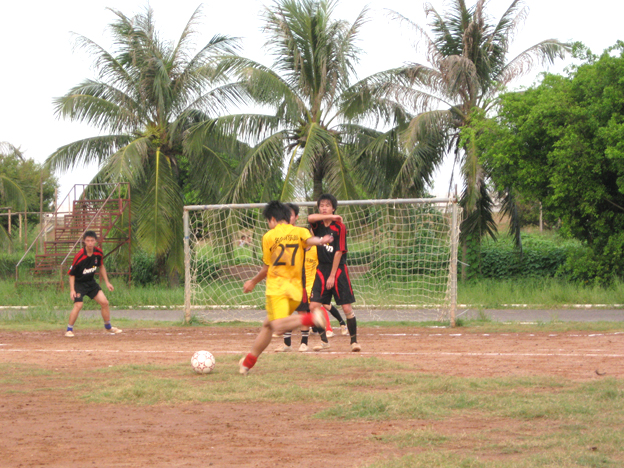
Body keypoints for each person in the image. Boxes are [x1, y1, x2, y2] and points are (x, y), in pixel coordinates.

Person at [239, 201, 333, 375]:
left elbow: (266, 268)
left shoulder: (269, 236)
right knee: (268, 325)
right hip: (296, 290)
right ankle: (247, 363)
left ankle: (311, 319)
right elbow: (310, 240)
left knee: (278, 325)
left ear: (272, 219)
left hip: (278, 288)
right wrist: (321, 240)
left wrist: (252, 282)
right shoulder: (299, 231)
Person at [274, 202, 331, 353]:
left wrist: (320, 240)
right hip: (283, 279)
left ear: (296, 217)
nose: (287, 217)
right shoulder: (277, 234)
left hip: (299, 280)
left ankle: (304, 343)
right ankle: (287, 344)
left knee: (302, 311)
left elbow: (309, 241)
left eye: (291, 215)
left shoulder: (301, 232)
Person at [309, 194, 361, 352]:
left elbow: (339, 252)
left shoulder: (340, 227)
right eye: (321, 205)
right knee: (314, 305)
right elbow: (310, 218)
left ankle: (354, 342)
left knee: (346, 308)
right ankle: (324, 341)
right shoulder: (317, 225)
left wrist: (332, 276)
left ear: (333, 208)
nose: (324, 208)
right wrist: (331, 216)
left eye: (328, 205)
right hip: (321, 269)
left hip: (338, 270)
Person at [65, 231, 122, 337]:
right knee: (78, 305)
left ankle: (108, 328)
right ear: (84, 241)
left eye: (92, 240)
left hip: (91, 282)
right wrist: (72, 290)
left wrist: (107, 282)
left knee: (104, 302)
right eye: (88, 241)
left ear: (95, 241)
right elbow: (71, 274)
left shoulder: (98, 253)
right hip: (79, 284)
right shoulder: (79, 256)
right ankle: (69, 330)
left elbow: (101, 266)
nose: (90, 243)